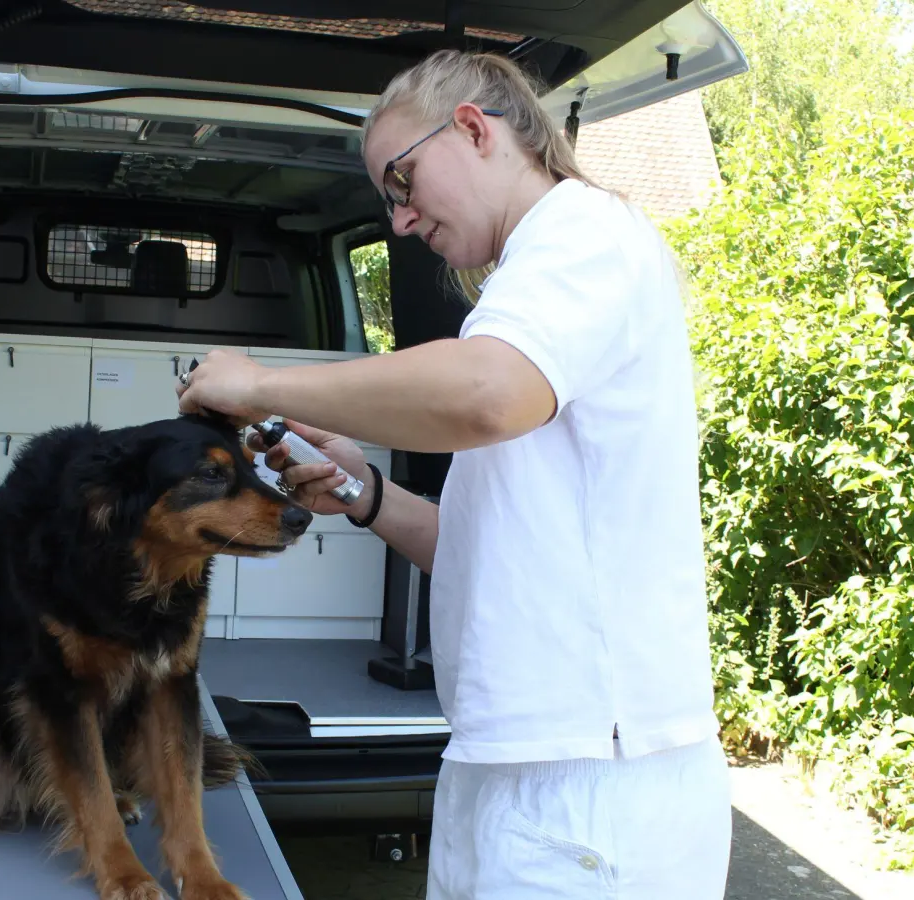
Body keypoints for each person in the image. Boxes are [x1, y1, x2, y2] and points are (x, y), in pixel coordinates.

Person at [175, 49, 731, 899]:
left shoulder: (586, 236)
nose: (399, 220)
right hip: (511, 762)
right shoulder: (528, 291)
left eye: (401, 182)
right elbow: (478, 549)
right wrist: (360, 491)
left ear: (472, 129)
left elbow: (482, 395)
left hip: (588, 786)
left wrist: (257, 384)